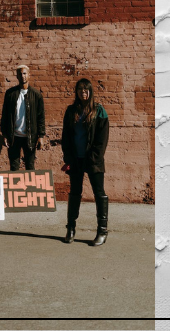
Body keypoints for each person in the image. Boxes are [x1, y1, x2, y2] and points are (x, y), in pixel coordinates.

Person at [61, 78, 110, 246]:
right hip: (75, 160)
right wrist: (68, 157)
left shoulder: (99, 111)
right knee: (75, 193)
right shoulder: (70, 111)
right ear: (76, 92)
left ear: (90, 92)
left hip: (93, 161)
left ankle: (102, 231)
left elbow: (102, 139)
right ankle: (71, 229)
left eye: (86, 89)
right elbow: (65, 136)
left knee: (99, 193)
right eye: (80, 89)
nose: (83, 92)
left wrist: (95, 157)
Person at [0, 65, 45, 170]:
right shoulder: (10, 94)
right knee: (14, 166)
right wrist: (5, 134)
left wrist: (41, 136)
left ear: (29, 75)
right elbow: (5, 115)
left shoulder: (36, 95)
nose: (22, 76)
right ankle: (16, 186)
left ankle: (30, 187)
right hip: (14, 136)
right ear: (17, 76)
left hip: (30, 137)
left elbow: (41, 116)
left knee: (30, 165)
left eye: (24, 73)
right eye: (20, 74)